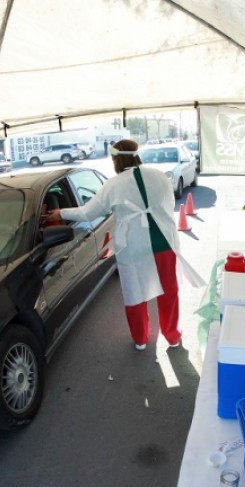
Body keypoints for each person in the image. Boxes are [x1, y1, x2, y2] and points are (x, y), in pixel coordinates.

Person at [47, 139, 204, 350]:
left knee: (135, 294)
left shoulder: (113, 185)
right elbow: (169, 205)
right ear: (136, 154)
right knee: (169, 292)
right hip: (164, 243)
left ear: (115, 159)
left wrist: (61, 212)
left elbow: (87, 212)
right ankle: (172, 336)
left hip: (133, 247)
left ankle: (140, 339)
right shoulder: (159, 176)